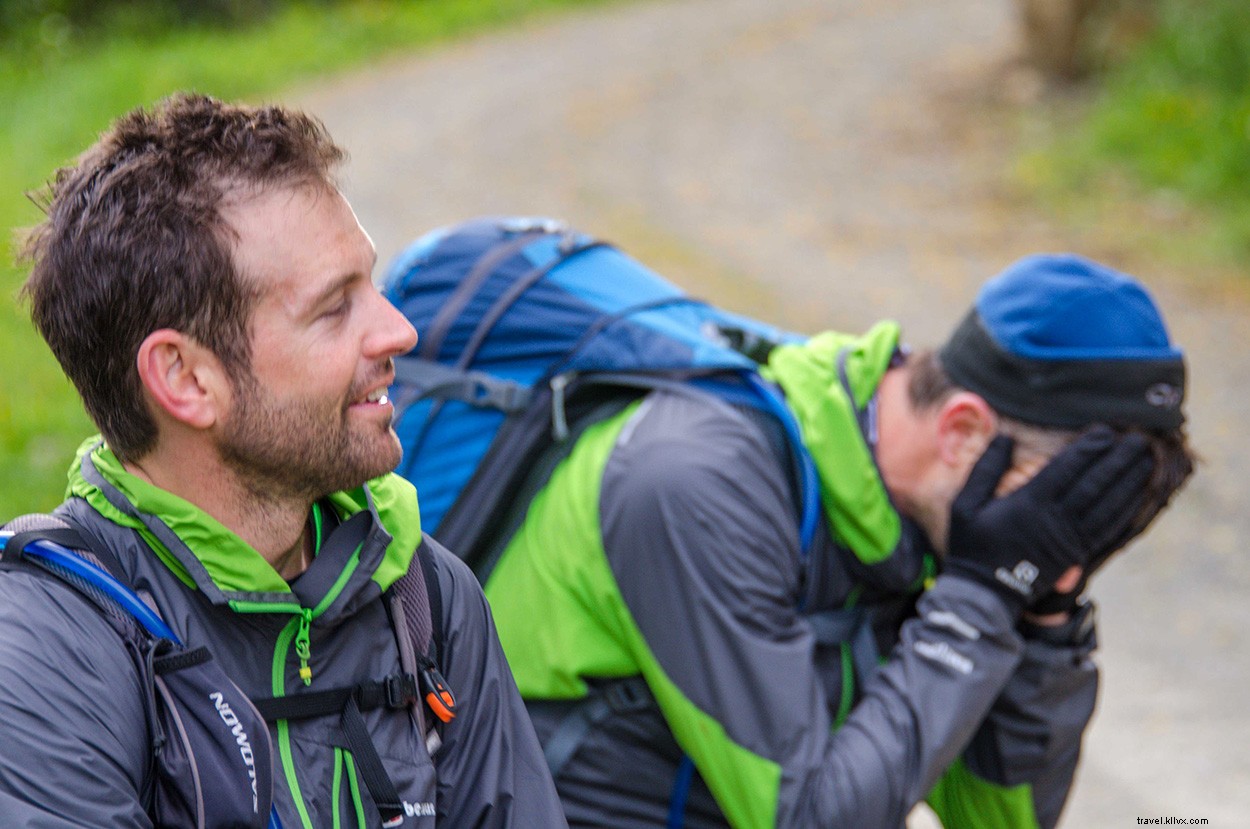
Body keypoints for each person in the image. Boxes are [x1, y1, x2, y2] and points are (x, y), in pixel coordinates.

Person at [0, 93, 566, 827]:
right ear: (185, 378)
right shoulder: (47, 652)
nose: (399, 330)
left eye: (373, 284)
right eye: (334, 308)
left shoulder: (422, 598)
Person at [478, 253, 1195, 827]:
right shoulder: (696, 482)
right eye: (1051, 498)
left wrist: (1043, 612)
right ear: (963, 430)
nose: (1046, 548)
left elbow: (998, 821)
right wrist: (976, 600)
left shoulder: (934, 509)